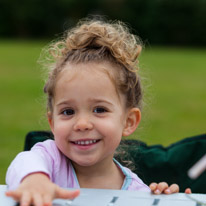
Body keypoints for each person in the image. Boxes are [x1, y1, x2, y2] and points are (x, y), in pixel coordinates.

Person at [5, 18, 190, 206]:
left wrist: (167, 200)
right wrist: (34, 180)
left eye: (99, 109)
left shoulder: (137, 192)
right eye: (68, 111)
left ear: (128, 121)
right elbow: (24, 162)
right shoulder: (50, 161)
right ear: (52, 123)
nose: (82, 124)